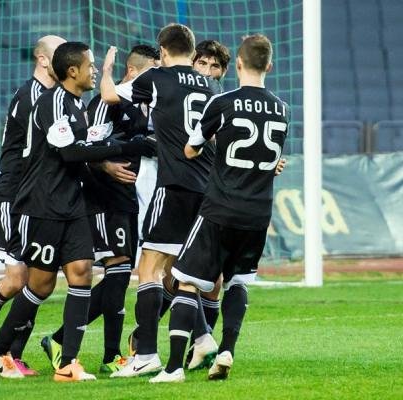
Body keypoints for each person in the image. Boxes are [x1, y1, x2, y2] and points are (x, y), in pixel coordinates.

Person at [0, 42, 154, 382]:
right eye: (90, 66)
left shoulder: (77, 104)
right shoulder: (52, 103)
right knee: (40, 285)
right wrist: (123, 146)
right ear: (73, 71)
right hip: (42, 205)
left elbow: (85, 147)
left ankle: (68, 363)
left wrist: (112, 153)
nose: (94, 71)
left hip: (73, 204)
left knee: (82, 272)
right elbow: (71, 152)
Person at [150, 33, 289, 383]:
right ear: (270, 66)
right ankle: (226, 348)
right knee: (238, 281)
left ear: (237, 64)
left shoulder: (222, 102)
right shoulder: (282, 109)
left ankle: (173, 368)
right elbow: (268, 160)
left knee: (185, 281)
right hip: (258, 213)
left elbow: (190, 149)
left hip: (220, 207)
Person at [99, 23, 223, 378]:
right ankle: (202, 337)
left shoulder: (156, 78)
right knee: (180, 271)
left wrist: (107, 70)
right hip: (206, 190)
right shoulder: (211, 86)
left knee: (149, 269)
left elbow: (109, 96)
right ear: (193, 51)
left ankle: (146, 354)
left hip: (173, 185)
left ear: (163, 51)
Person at [40, 44, 160, 374]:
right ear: (133, 71)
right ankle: (103, 353)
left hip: (126, 195)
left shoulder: (140, 106)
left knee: (121, 273)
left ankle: (80, 346)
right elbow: (84, 148)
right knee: (118, 271)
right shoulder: (106, 103)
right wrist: (104, 166)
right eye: (153, 70)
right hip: (102, 195)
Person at [0, 35, 66, 375]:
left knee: (38, 281)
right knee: (18, 279)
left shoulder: (52, 97)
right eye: (59, 56)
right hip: (13, 197)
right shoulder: (31, 96)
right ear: (43, 60)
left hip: (36, 198)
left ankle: (10, 353)